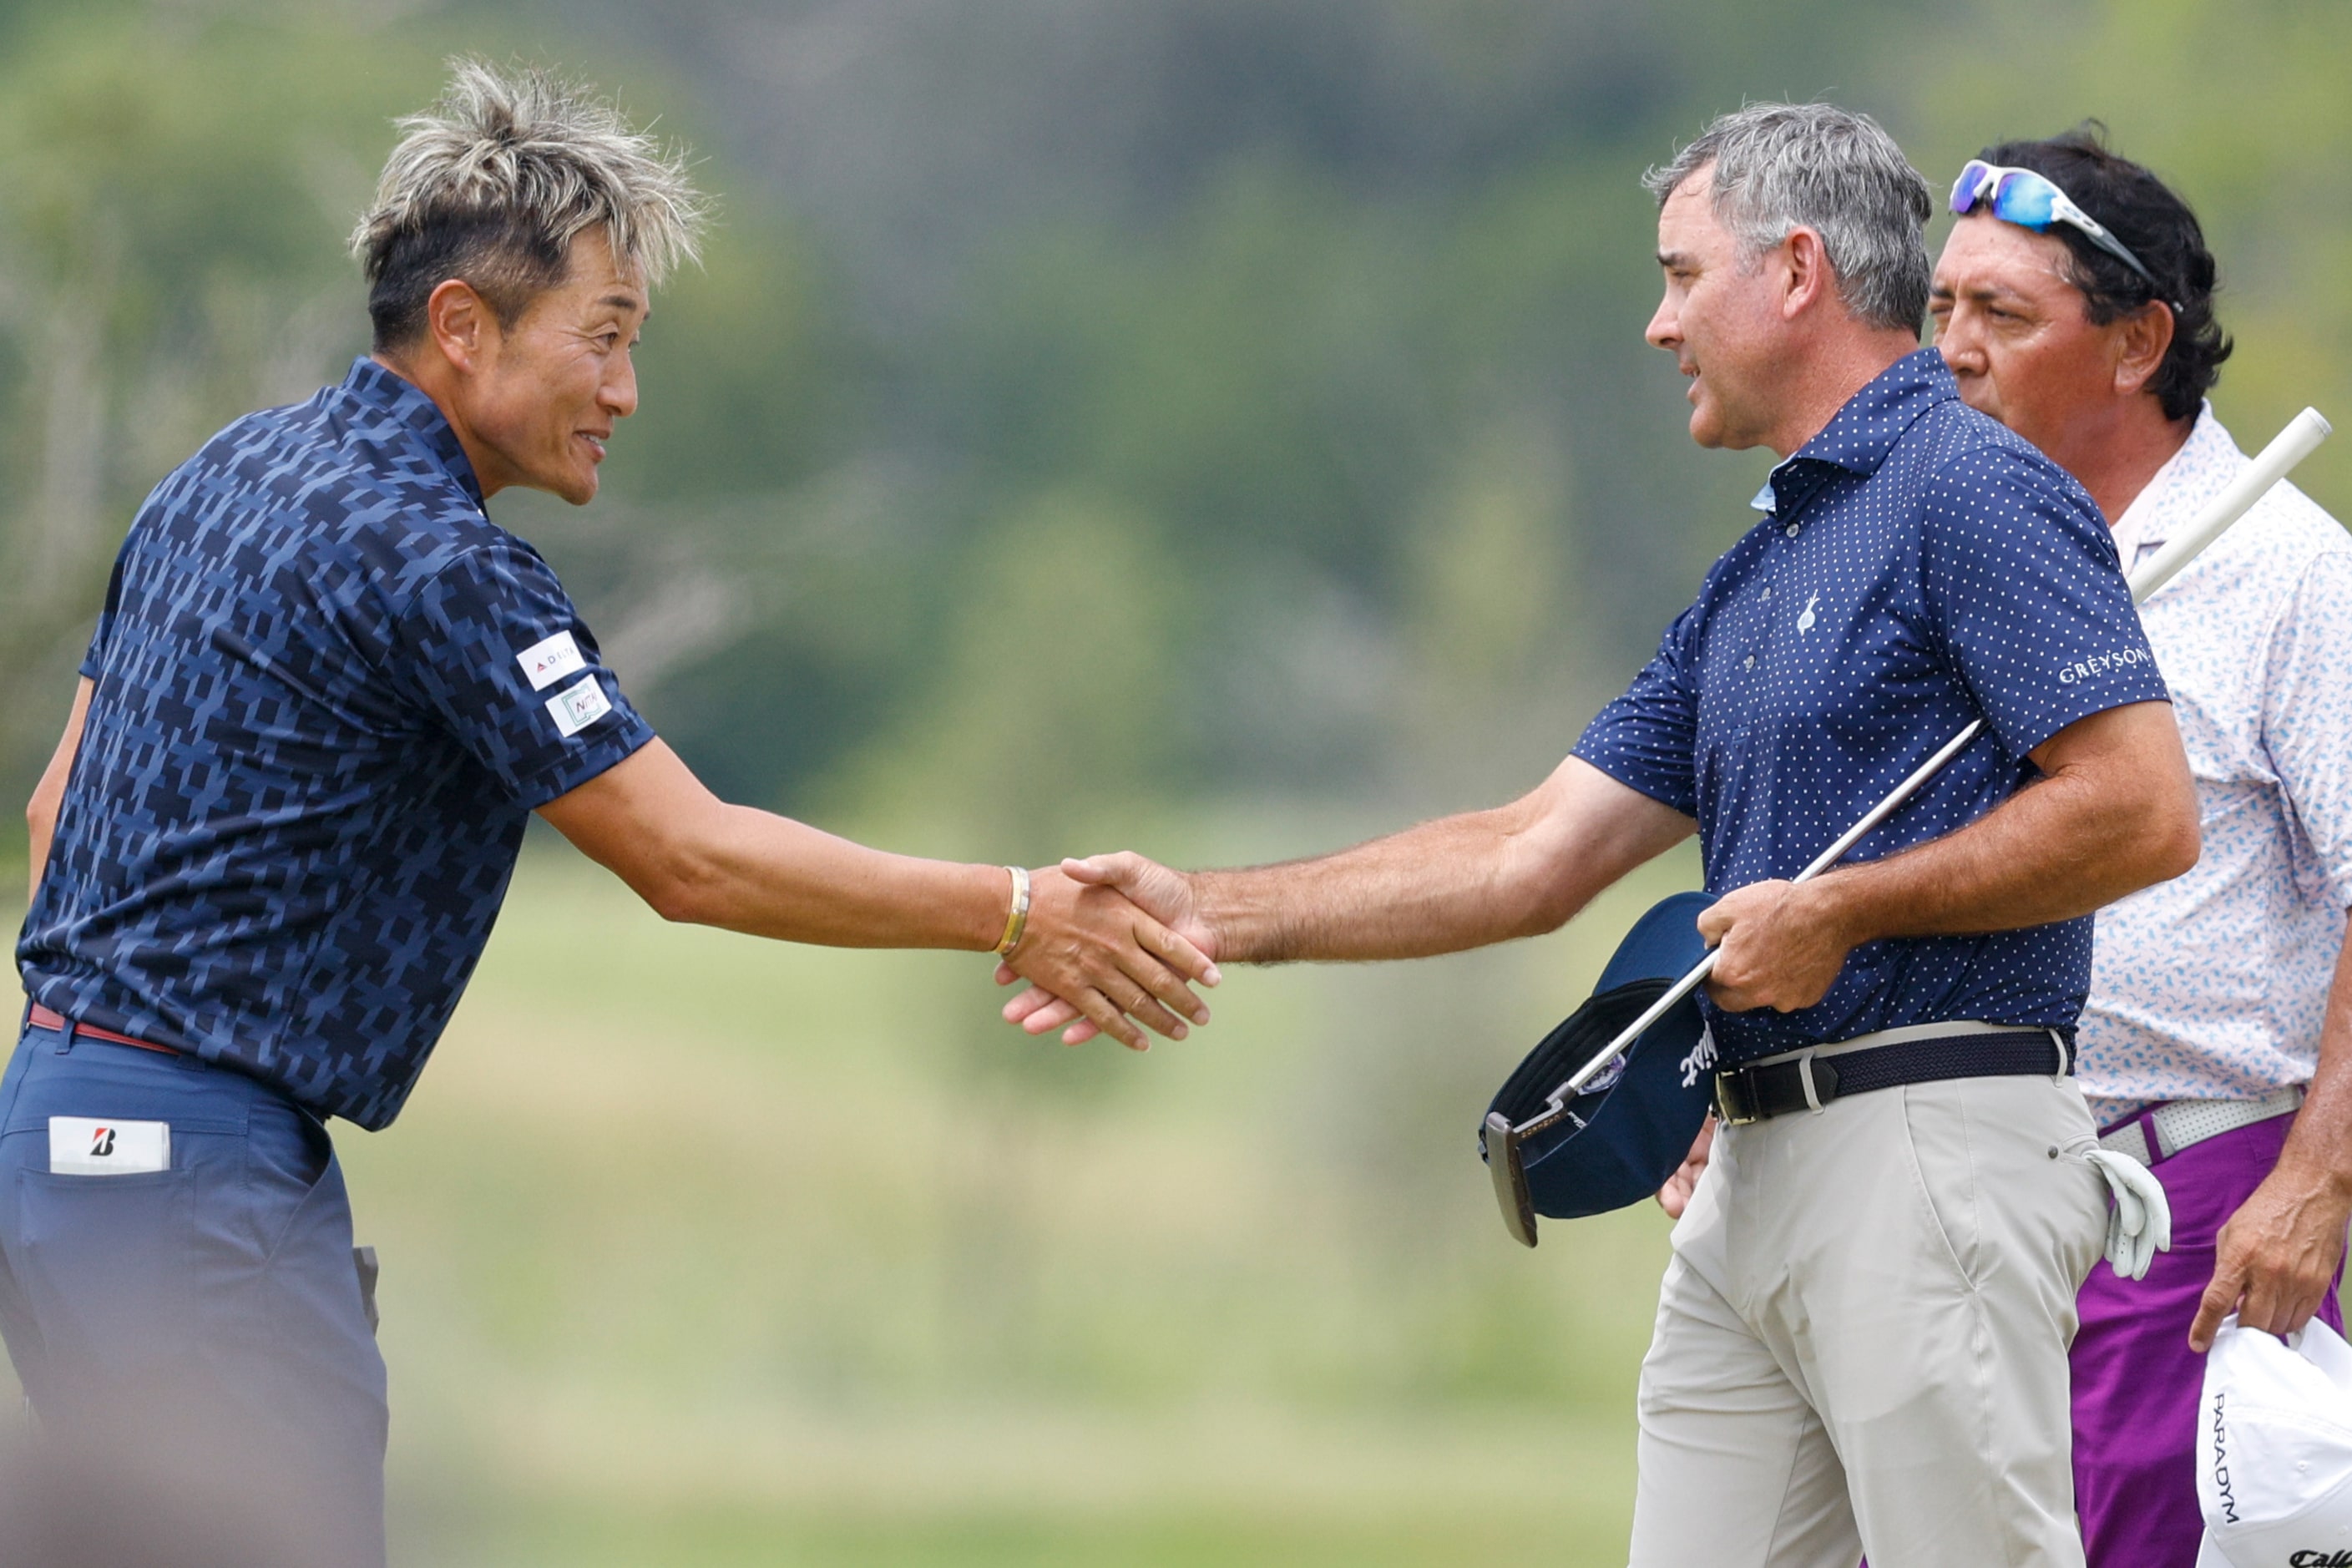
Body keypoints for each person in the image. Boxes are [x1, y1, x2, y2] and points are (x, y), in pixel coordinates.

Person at [7, 62, 1213, 1567]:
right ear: (462, 326)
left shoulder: (216, 477)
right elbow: (687, 856)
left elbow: (62, 812)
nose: (627, 393)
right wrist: (1025, 909)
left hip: (63, 1148)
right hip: (189, 1183)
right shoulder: (440, 561)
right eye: (607, 338)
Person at [1004, 103, 2201, 1566]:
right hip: (1750, 1168)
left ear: (1798, 271)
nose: (1656, 323)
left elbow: (2140, 807)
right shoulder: (1766, 562)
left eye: (1681, 274)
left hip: (1930, 1149)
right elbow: (1530, 853)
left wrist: (1844, 912)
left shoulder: (1972, 485)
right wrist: (1204, 907)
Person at [1929, 128, 2352, 1568]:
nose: (1951, 352)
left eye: (2001, 314)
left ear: (2134, 344)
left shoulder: (2289, 576)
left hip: (2197, 1215)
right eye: (1940, 309)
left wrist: (2318, 1179)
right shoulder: (1947, 562)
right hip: (1954, 1203)